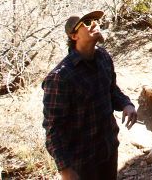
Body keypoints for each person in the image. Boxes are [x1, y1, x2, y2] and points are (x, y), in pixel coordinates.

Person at [42, 10, 138, 180]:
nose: (94, 24)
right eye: (86, 23)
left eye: (95, 20)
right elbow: (53, 129)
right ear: (74, 36)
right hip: (82, 161)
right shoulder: (60, 77)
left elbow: (111, 90)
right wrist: (65, 169)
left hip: (108, 149)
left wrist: (126, 104)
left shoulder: (103, 57)